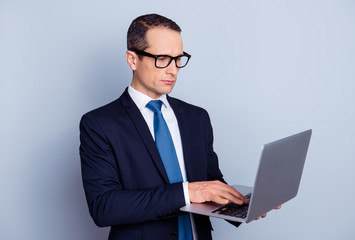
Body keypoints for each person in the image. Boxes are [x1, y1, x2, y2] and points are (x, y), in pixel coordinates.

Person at [80, 13, 273, 240]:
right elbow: (104, 208)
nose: (173, 70)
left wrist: (240, 205)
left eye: (178, 58)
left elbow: (211, 182)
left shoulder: (197, 117)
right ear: (132, 59)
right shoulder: (100, 124)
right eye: (162, 58)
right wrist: (187, 192)